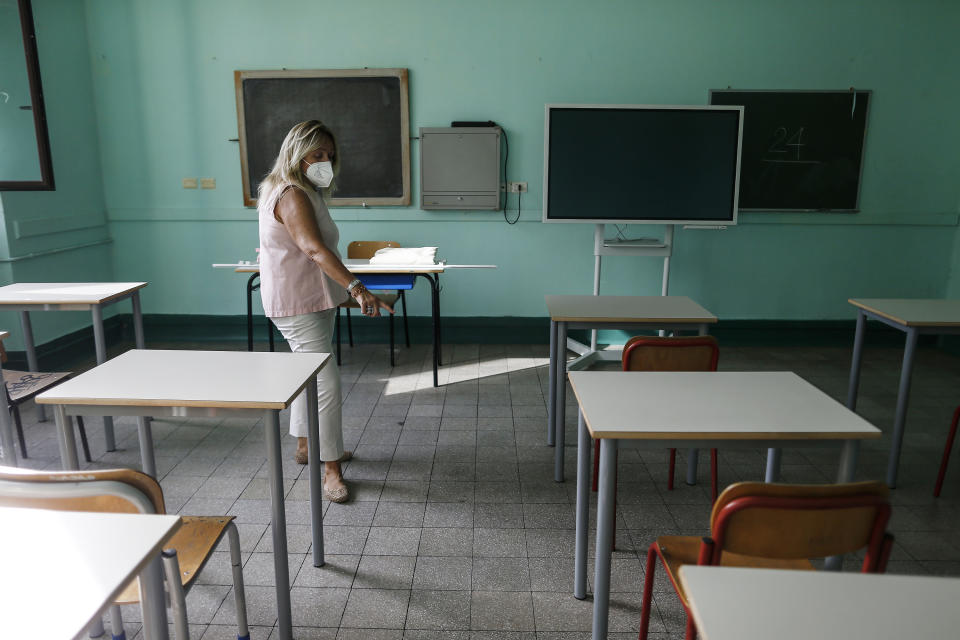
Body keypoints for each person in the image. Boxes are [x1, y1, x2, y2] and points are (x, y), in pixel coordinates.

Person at [257, 120, 392, 503]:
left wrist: (347, 294)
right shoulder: (292, 195)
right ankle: (330, 469)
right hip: (298, 304)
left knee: (307, 374)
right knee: (325, 384)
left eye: (329, 156)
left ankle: (305, 446)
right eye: (317, 155)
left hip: (310, 299)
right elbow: (314, 250)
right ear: (297, 153)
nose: (325, 162)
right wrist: (358, 288)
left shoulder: (296, 190)